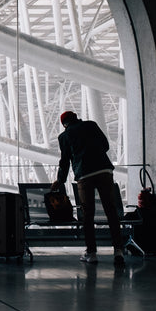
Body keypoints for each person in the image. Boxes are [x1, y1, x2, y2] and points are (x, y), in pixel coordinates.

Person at [51, 111, 125, 266]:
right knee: (111, 211)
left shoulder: (64, 137)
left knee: (88, 214)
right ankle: (118, 251)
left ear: (64, 124)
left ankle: (91, 253)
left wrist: (60, 180)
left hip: (84, 175)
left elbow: (64, 161)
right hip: (104, 170)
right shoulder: (91, 125)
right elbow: (105, 145)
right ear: (76, 117)